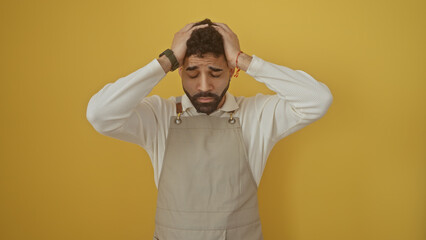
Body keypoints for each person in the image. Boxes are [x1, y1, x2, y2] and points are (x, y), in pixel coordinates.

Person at [86, 18, 333, 240]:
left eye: (215, 72)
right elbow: (100, 113)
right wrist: (166, 59)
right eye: (192, 73)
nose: (204, 86)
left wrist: (244, 59)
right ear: (179, 72)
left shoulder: (257, 115)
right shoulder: (158, 116)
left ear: (232, 71)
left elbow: (318, 100)